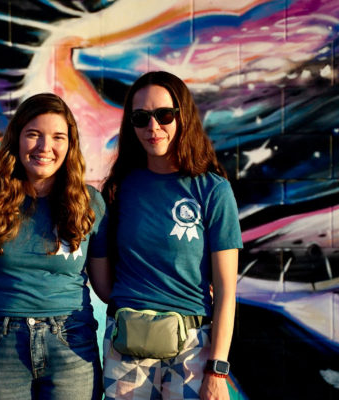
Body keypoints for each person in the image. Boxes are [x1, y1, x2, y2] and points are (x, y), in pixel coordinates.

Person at [101, 71, 242, 400]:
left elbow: (225, 291)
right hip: (126, 346)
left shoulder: (212, 190)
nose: (153, 128)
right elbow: (105, 278)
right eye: (141, 118)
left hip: (193, 350)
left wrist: (217, 368)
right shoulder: (120, 188)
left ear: (183, 117)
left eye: (164, 115)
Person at [0, 93, 112, 400]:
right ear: (17, 139)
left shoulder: (89, 203)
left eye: (58, 137)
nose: (45, 147)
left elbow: (106, 287)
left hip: (72, 342)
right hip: (0, 344)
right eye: (34, 135)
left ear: (70, 144)